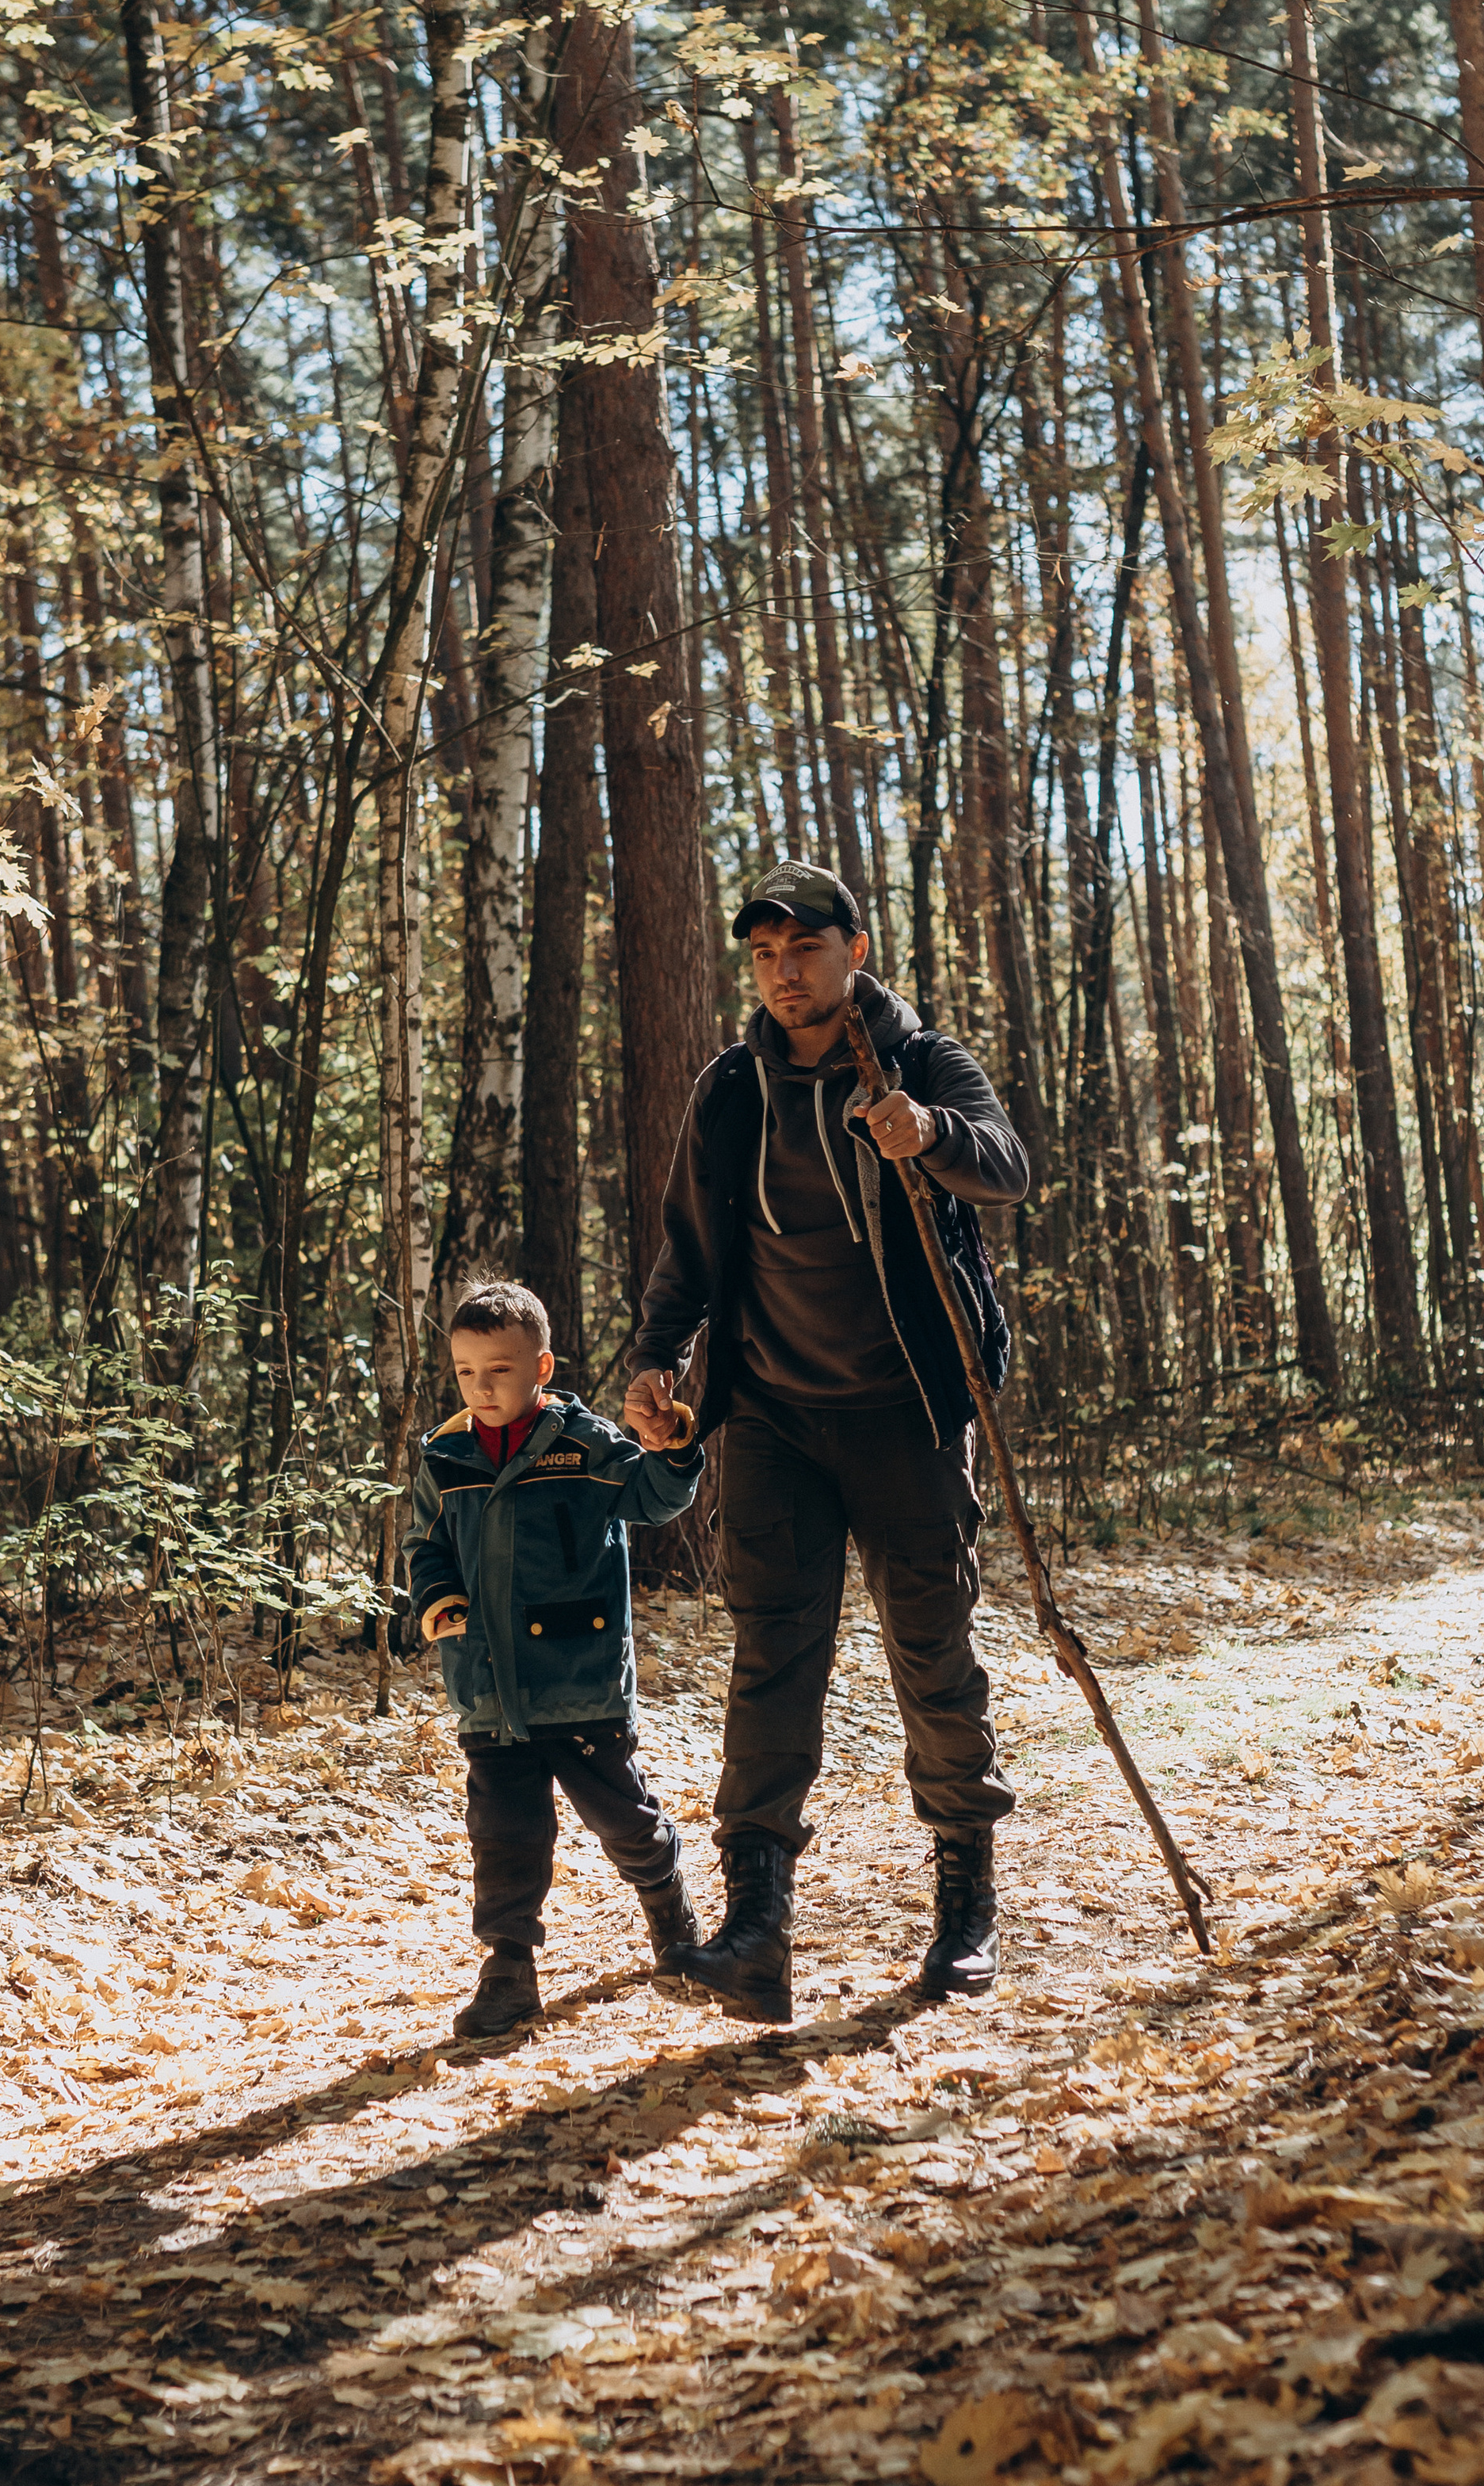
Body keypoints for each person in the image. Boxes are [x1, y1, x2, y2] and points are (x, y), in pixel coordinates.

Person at [620, 861, 1028, 2026]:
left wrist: (929, 1129)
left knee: (931, 1656)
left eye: (804, 947)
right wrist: (659, 1359)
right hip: (777, 1422)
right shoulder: (733, 1089)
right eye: (763, 954)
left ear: (857, 946)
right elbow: (689, 1250)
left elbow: (1006, 1165)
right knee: (771, 1663)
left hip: (907, 1410)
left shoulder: (922, 1061)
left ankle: (963, 1905)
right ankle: (755, 1928)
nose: (784, 971)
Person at [405, 1277, 707, 2040]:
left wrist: (672, 1452)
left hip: (582, 1682)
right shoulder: (445, 1456)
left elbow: (653, 1496)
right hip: (489, 1687)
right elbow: (425, 1544)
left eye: (499, 1370)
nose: (482, 1386)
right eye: (468, 1371)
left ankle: (667, 1899)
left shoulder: (586, 1444)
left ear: (540, 1368)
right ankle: (510, 1965)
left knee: (621, 1816)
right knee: (503, 1831)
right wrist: (440, 1597)